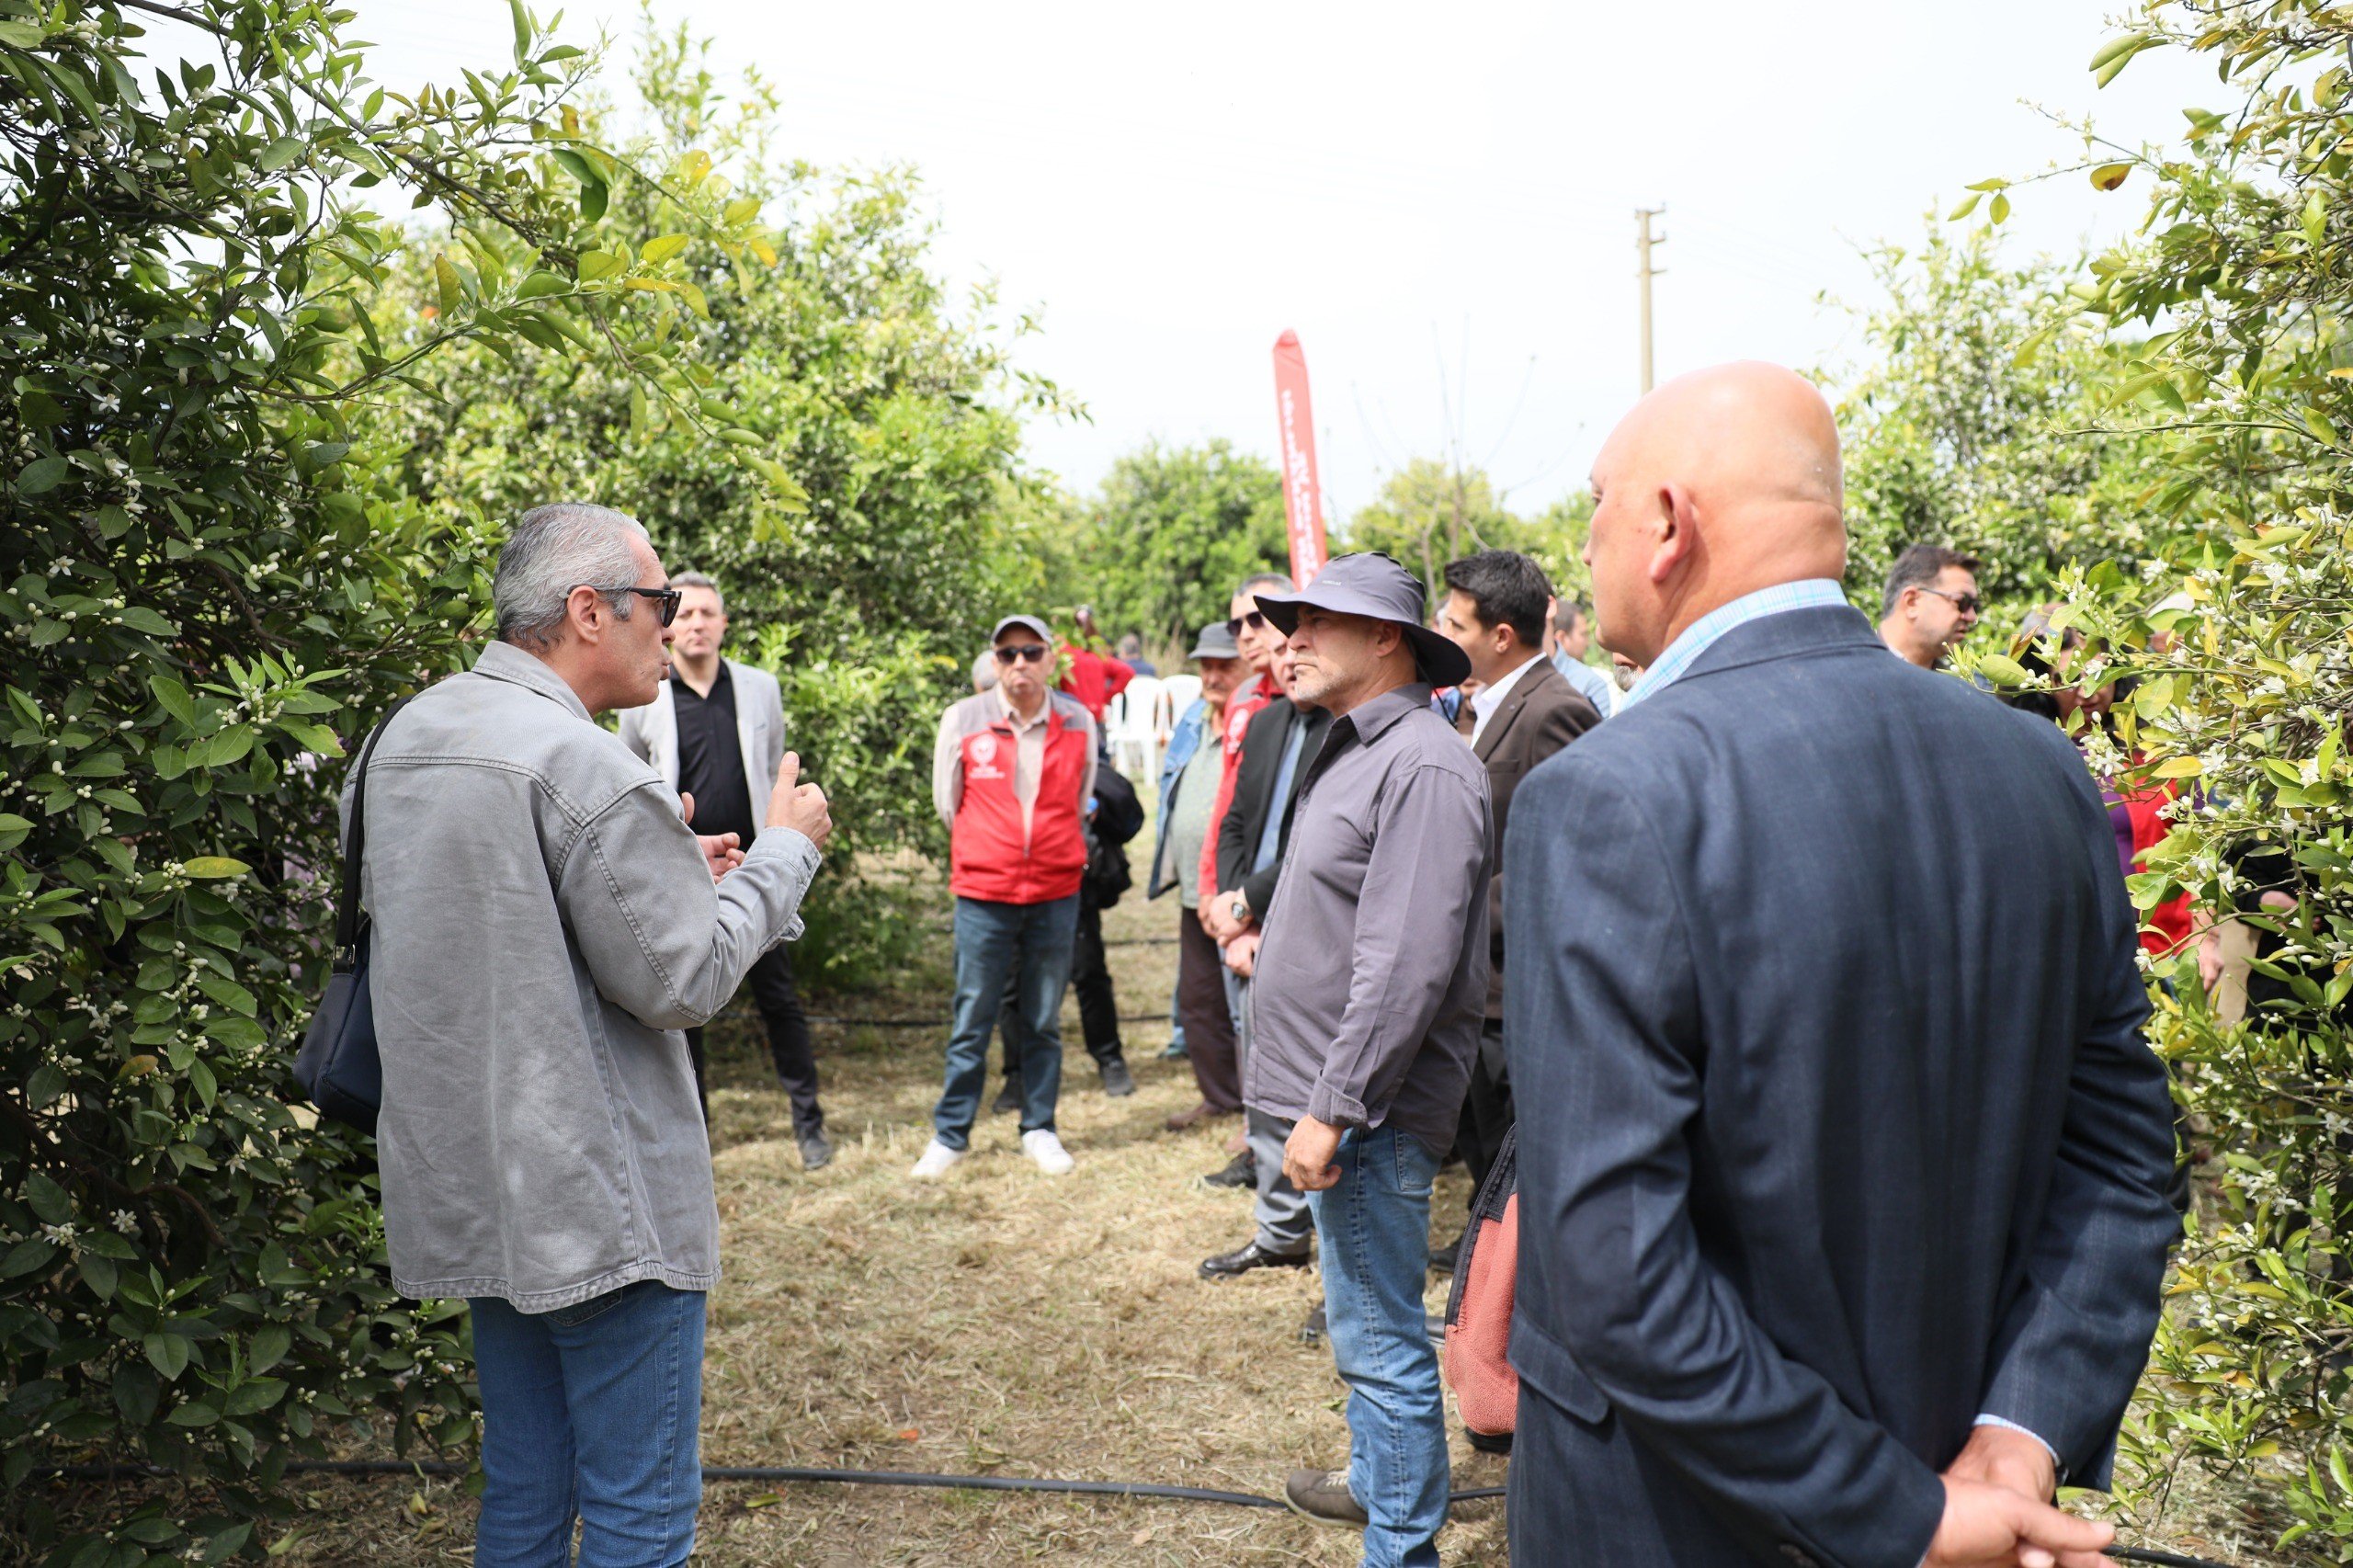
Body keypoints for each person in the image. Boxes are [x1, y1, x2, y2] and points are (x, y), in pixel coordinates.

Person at [1505, 363, 2177, 1568]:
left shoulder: (1611, 794)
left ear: (1669, 523)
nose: (1587, 538)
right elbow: (2125, 1158)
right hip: (1981, 1477)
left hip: (1687, 1518)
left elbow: (1617, 1275)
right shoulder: (2037, 770)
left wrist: (1902, 1514)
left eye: (1598, 503)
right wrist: (2019, 1432)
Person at [356, 503, 834, 1564]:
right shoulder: (586, 764)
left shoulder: (404, 737)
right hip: (600, 1203)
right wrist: (783, 853)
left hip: (477, 1183)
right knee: (638, 1514)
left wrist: (672, 875)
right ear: (586, 612)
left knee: (524, 1490)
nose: (671, 625)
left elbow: (499, 927)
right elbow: (686, 977)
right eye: (659, 603)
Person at [1245, 552, 1492, 1568]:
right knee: (1365, 1336)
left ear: (1386, 636)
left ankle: (1401, 1549)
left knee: (1382, 1345)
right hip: (1342, 1108)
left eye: (1312, 621)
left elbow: (1404, 963)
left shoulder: (1424, 762)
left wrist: (1332, 1106)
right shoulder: (1354, 748)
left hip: (1367, 1121)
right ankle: (1383, 1499)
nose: (1286, 638)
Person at [617, 572, 830, 1170]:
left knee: (779, 1000)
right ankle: (695, 1135)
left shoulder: (759, 687)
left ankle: (809, 1124)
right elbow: (630, 771)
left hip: (757, 869)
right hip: (683, 873)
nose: (696, 625)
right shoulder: (647, 691)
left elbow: (771, 764)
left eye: (708, 614)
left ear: (724, 623)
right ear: (668, 624)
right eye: (684, 615)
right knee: (685, 1012)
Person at [1429, 551, 1597, 1271]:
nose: (1437, 632)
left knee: (1510, 1153)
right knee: (1480, 1146)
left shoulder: (1555, 710)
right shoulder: (1480, 707)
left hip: (1510, 987)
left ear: (1501, 635)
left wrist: (1454, 917)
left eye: (1453, 623)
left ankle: (1507, 1289)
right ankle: (1484, 1260)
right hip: (1474, 983)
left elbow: (1561, 860)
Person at [916, 614, 1096, 1179]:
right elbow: (949, 802)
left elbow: (1080, 796)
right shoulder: (963, 719)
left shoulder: (1079, 719)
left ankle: (1039, 1125)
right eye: (1007, 652)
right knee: (973, 1014)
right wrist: (991, 849)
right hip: (983, 889)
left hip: (1054, 888)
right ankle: (951, 1134)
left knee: (1043, 1017)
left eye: (1031, 651)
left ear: (1049, 660)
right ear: (995, 661)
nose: (1020, 663)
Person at [1195, 636, 1332, 1270]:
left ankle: (1330, 1246)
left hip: (1311, 933)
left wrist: (1246, 905)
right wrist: (1232, 915)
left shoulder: (1347, 727)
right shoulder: (1268, 720)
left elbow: (1316, 843)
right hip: (1246, 932)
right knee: (1263, 1085)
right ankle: (1279, 1235)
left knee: (1317, 1094)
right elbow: (1236, 823)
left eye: (1294, 642)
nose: (1283, 656)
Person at [1149, 621, 1247, 1131]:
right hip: (1194, 886)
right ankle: (1219, 1095)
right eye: (1204, 665)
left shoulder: (1257, 719)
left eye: (1223, 664)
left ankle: (1260, 1117)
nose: (1212, 675)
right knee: (1198, 1000)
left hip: (1236, 890)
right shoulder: (1193, 719)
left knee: (1247, 1007)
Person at [1879, 540, 1984, 668]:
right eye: (1962, 602)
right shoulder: (1853, 668)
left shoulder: (1956, 686)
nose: (1972, 617)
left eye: (1975, 606)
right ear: (1912, 602)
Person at [1057, 605, 1134, 729]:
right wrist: (1104, 698)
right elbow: (1127, 672)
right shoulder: (1098, 654)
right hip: (1095, 716)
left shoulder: (1063, 652)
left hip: (1071, 717)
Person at [1546, 597, 1617, 719]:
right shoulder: (1589, 683)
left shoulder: (1590, 685)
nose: (1588, 643)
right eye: (1583, 634)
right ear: (1561, 638)